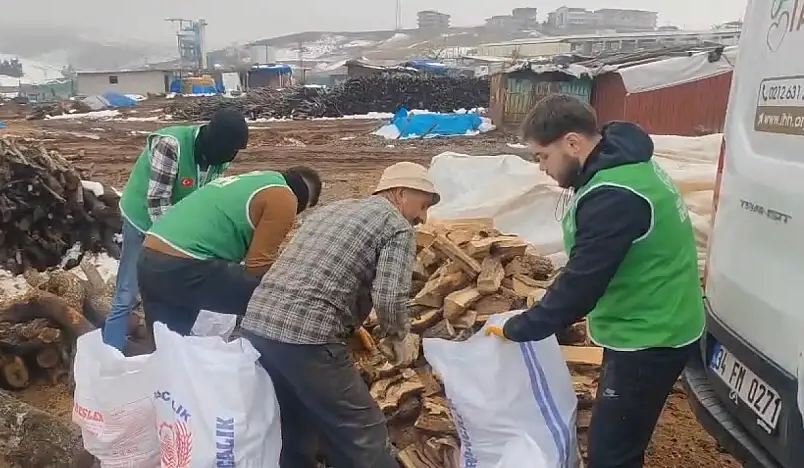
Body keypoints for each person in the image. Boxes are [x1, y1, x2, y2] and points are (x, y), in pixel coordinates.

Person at [485, 94, 705, 468]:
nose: (541, 168)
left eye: (542, 156)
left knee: (610, 454)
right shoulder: (625, 162)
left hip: (648, 337)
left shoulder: (613, 195)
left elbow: (582, 287)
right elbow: (600, 256)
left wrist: (519, 327)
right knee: (619, 436)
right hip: (658, 317)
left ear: (572, 142)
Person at [240, 162, 439, 468]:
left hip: (258, 325)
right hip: (307, 338)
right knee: (363, 429)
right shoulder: (396, 226)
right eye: (423, 206)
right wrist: (398, 337)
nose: (423, 218)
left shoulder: (332, 210)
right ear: (400, 194)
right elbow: (389, 297)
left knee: (294, 418)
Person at [103, 108, 249, 351]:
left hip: (174, 229)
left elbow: (205, 200)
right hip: (142, 220)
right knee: (127, 294)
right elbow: (157, 203)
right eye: (228, 151)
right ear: (213, 142)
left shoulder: (218, 158)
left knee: (172, 294)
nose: (230, 158)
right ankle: (111, 356)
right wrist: (180, 247)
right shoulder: (171, 146)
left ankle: (166, 354)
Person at [136, 167, 322, 339]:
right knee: (277, 298)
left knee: (169, 347)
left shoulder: (255, 180)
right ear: (305, 199)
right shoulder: (284, 197)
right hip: (185, 266)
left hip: (150, 257)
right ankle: (270, 363)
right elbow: (258, 266)